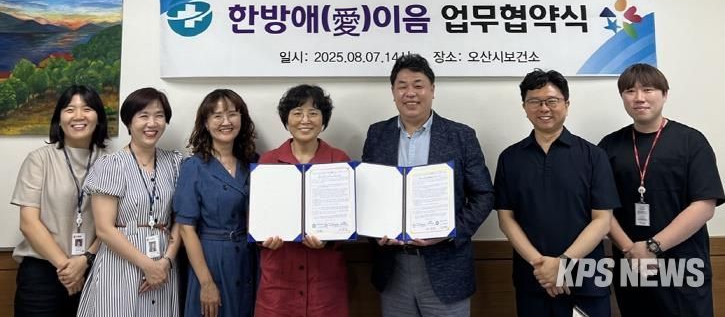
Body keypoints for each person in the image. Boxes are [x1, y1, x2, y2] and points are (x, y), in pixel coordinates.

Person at [361, 54, 494, 317]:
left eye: (418, 85)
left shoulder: (461, 136)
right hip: (393, 269)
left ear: (432, 90)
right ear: (393, 92)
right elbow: (367, 194)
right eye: (402, 86)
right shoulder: (377, 134)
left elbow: (484, 195)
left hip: (446, 267)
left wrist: (449, 231)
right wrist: (373, 230)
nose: (410, 93)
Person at [598, 63, 724, 317]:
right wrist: (631, 250)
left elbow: (704, 205)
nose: (639, 97)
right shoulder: (609, 146)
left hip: (684, 265)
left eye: (648, 89)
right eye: (630, 91)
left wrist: (652, 247)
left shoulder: (691, 141)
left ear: (664, 94)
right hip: (631, 265)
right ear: (622, 97)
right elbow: (601, 208)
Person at [493, 69, 619, 317]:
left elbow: (602, 220)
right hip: (534, 279)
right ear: (524, 107)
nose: (544, 108)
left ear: (566, 105)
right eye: (535, 101)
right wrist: (542, 267)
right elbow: (506, 219)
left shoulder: (593, 156)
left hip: (586, 280)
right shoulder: (510, 158)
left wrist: (562, 263)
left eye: (552, 101)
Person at [77, 87, 183, 317]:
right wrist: (148, 265)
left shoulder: (175, 162)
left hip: (164, 266)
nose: (152, 123)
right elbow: (104, 229)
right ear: (128, 121)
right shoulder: (111, 165)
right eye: (143, 116)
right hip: (120, 264)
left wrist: (165, 262)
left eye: (159, 115)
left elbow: (181, 219)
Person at [11, 85, 109, 317]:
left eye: (87, 109)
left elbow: (113, 224)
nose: (78, 116)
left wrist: (84, 261)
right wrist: (66, 268)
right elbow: (28, 223)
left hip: (92, 269)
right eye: (70, 109)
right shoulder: (39, 160)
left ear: (98, 118)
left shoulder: (110, 163)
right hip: (42, 273)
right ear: (59, 118)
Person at [255, 84, 350, 317]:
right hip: (279, 281)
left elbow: (348, 218)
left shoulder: (339, 161)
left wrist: (329, 240)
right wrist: (263, 239)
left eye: (313, 113)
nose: (305, 120)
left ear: (323, 119)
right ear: (286, 120)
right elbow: (255, 217)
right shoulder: (268, 162)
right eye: (297, 113)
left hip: (324, 283)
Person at [173, 89, 258, 317]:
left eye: (232, 114)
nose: (226, 122)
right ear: (206, 123)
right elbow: (186, 230)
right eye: (217, 116)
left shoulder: (253, 162)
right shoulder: (193, 167)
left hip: (247, 257)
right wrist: (206, 282)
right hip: (211, 258)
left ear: (242, 118)